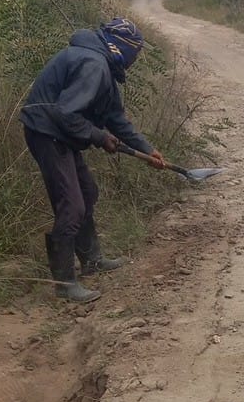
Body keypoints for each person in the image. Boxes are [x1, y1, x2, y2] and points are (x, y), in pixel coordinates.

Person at [20, 18, 166, 303]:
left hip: (60, 134)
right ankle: (64, 283)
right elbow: (65, 113)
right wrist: (99, 136)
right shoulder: (94, 64)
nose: (134, 60)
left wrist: (147, 150)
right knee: (72, 205)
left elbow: (115, 118)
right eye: (135, 53)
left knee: (87, 192)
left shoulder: (101, 65)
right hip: (47, 133)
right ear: (122, 48)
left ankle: (92, 260)